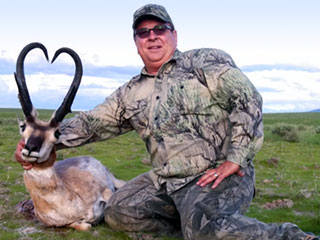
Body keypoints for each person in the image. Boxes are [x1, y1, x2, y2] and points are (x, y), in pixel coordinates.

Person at [16, 4, 318, 240]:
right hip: (165, 181)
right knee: (119, 212)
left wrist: (236, 159)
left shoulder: (204, 63)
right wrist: (41, 143)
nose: (152, 36)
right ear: (136, 42)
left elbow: (247, 100)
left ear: (174, 34)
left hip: (216, 177)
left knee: (204, 230)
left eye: (159, 29)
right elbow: (93, 123)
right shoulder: (131, 93)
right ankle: (193, 225)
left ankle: (294, 235)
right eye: (143, 32)